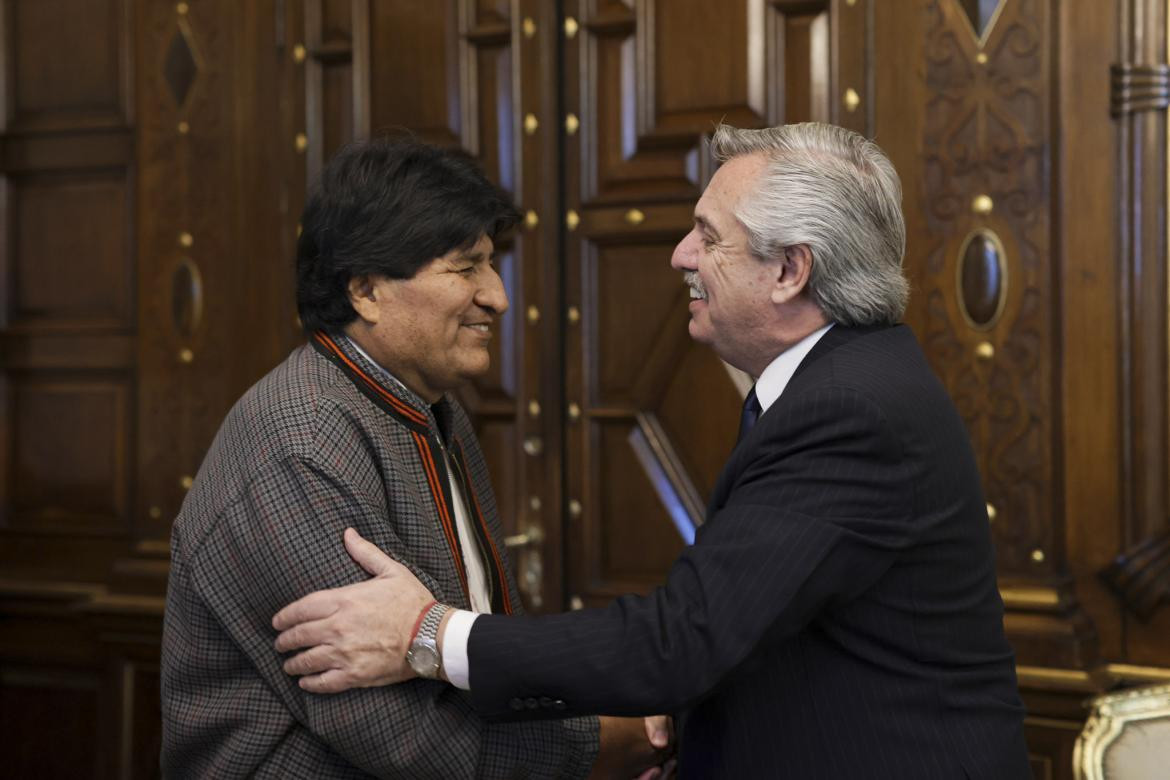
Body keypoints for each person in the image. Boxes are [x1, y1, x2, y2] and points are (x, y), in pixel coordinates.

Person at [271, 123, 1032, 778]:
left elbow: (686, 637)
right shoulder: (836, 385)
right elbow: (752, 621)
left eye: (708, 236)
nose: (679, 256)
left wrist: (425, 635)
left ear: (790, 270)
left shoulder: (850, 409)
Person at [160, 137, 668, 778]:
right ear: (367, 291)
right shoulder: (303, 443)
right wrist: (604, 744)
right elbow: (397, 733)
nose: (498, 296)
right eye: (466, 267)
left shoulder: (429, 408)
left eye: (492, 264)